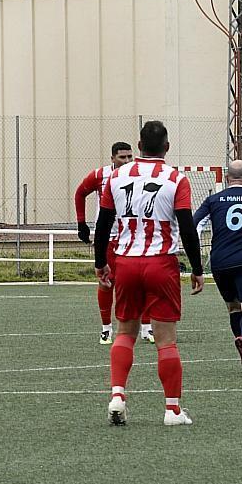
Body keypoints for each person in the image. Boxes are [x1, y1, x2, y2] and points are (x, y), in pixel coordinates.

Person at [94, 120, 205, 426]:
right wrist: (197, 268)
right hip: (161, 263)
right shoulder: (175, 179)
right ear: (166, 148)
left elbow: (103, 224)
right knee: (166, 340)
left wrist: (99, 263)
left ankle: (117, 395)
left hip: (126, 262)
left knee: (125, 332)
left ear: (139, 147)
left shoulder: (116, 176)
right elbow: (186, 226)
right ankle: (172, 410)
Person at [193, 160, 242, 374]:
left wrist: (197, 258)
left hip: (220, 262)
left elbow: (194, 225)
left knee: (234, 308)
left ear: (227, 178)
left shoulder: (213, 200)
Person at [75, 143, 156, 345]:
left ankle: (147, 328)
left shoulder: (139, 175)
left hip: (132, 237)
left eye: (130, 157)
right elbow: (79, 193)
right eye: (122, 157)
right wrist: (81, 223)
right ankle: (106, 329)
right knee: (106, 283)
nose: (127, 161)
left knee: (141, 283)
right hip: (109, 239)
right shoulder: (99, 175)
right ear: (112, 158)